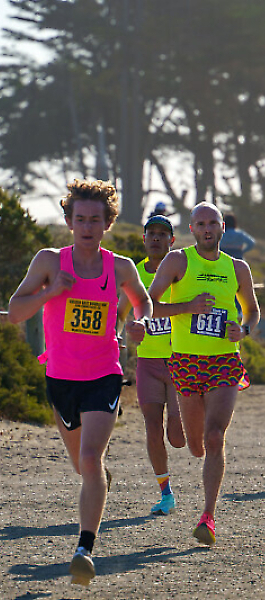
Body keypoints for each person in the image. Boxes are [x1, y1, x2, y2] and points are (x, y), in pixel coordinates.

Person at [8, 180, 152, 586]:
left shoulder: (119, 267)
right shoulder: (49, 261)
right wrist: (51, 291)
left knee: (90, 459)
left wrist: (139, 321)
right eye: (80, 219)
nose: (87, 227)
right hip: (60, 378)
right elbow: (16, 312)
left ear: (108, 223)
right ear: (69, 222)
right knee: (83, 464)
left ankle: (84, 549)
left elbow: (142, 300)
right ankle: (98, 480)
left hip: (104, 375)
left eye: (95, 220)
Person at [148, 202, 260, 546]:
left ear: (223, 227)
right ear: (192, 229)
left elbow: (252, 311)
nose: (207, 229)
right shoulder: (177, 261)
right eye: (201, 224)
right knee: (195, 446)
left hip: (224, 360)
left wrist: (243, 329)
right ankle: (198, 459)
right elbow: (149, 305)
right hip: (186, 362)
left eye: (213, 223)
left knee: (214, 437)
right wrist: (188, 307)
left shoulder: (237, 268)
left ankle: (208, 517)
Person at [117, 215, 186, 516]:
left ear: (172, 240)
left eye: (162, 234)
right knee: (152, 429)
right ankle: (166, 493)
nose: (156, 238)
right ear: (144, 239)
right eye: (151, 234)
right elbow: (121, 314)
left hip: (181, 361)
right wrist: (125, 332)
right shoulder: (135, 274)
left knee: (177, 437)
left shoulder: (181, 271)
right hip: (148, 363)